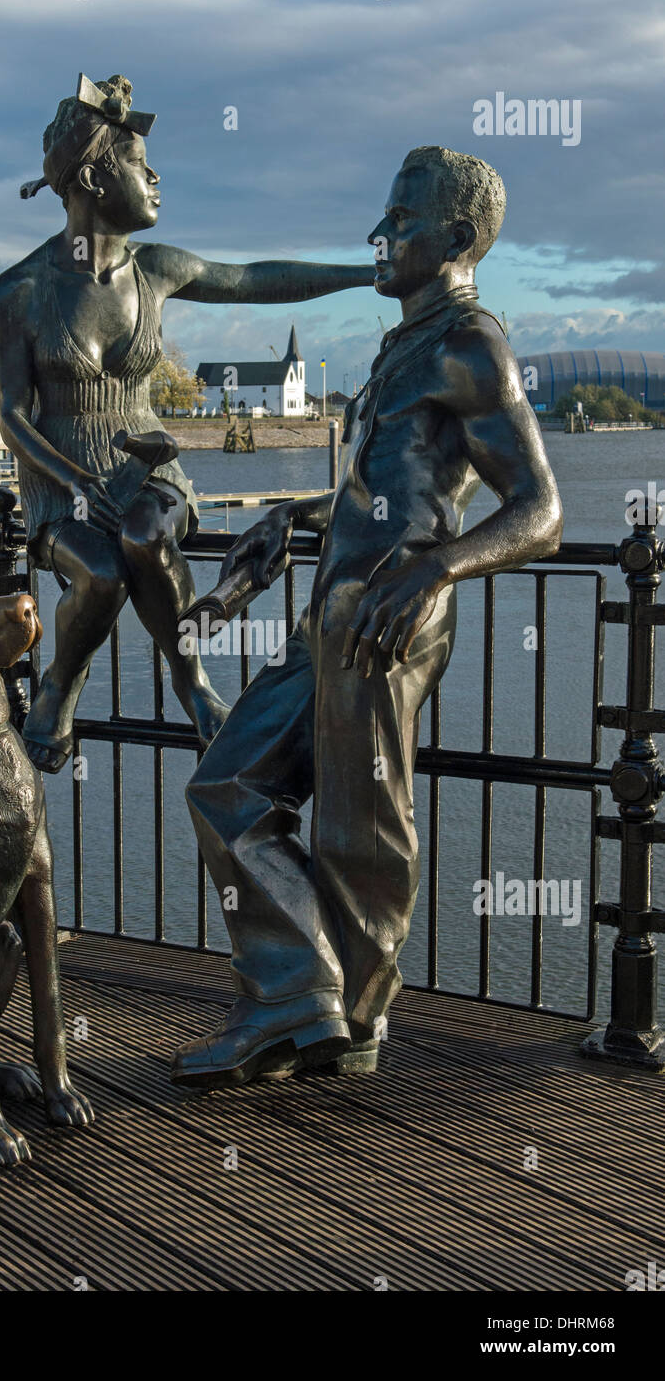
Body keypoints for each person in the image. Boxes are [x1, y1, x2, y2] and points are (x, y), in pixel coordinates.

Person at [173, 146, 563, 1089]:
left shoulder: (473, 345)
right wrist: (294, 517)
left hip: (389, 618)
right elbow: (389, 488)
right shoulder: (401, 343)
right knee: (226, 788)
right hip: (332, 612)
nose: (376, 238)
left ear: (458, 240)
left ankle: (348, 1023)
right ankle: (297, 997)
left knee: (362, 828)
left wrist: (437, 570)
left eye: (399, 222)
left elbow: (541, 510)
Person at [0, 73, 374, 772]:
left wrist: (366, 273)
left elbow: (255, 279)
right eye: (140, 165)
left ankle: (191, 680)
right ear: (94, 179)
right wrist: (77, 481)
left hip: (151, 472)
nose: (157, 178)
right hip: (60, 480)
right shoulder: (21, 290)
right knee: (100, 575)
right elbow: (11, 416)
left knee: (143, 534)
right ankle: (60, 684)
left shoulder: (156, 270)